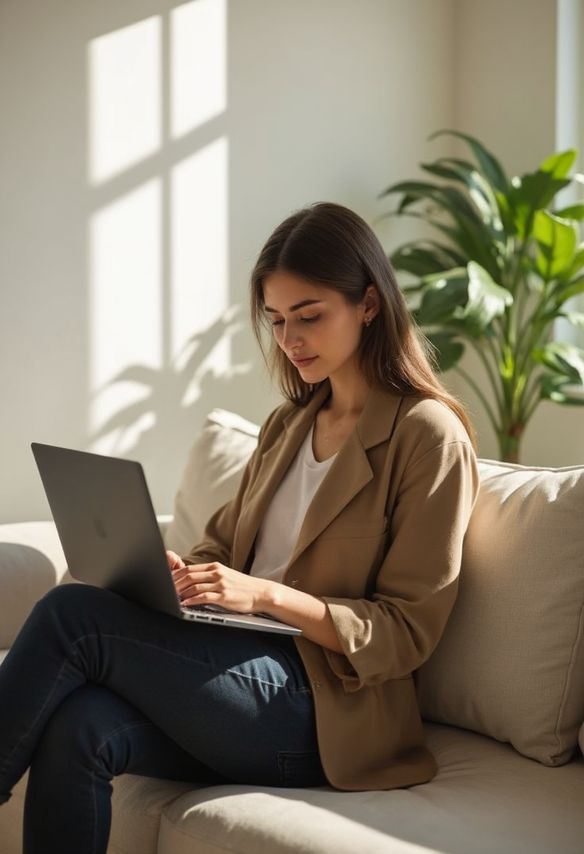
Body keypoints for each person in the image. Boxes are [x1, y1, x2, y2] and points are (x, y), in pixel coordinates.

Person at [0, 201, 480, 853]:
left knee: (71, 615)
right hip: (238, 676)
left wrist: (264, 595)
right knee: (80, 724)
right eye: (277, 321)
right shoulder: (290, 424)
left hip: (325, 710)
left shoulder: (427, 436)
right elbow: (221, 548)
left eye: (309, 317)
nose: (290, 340)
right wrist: (179, 573)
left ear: (369, 303)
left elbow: (405, 633)